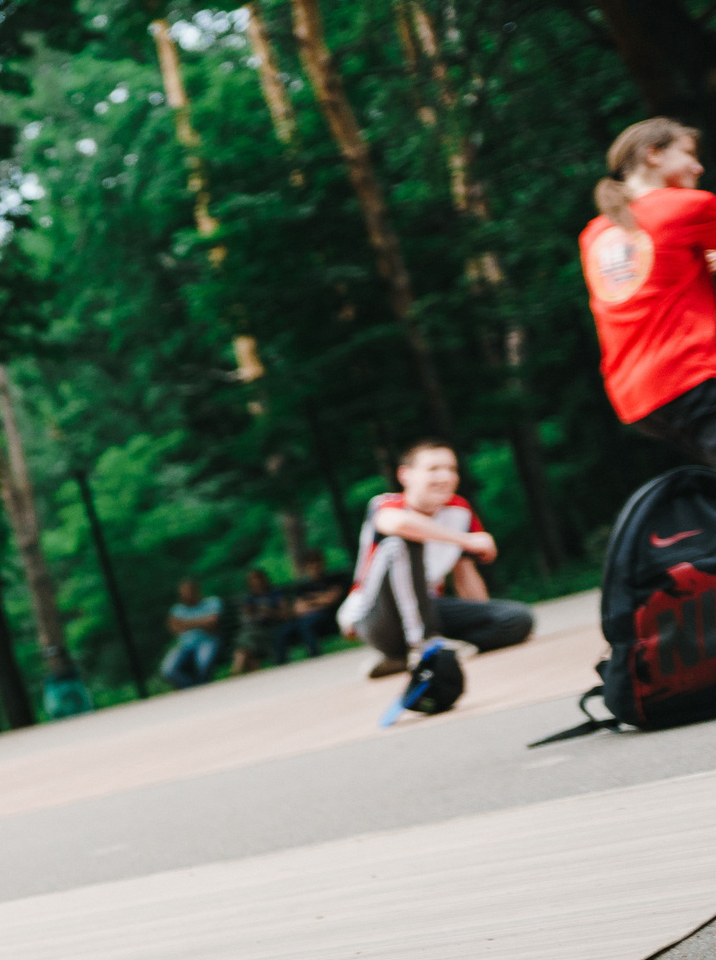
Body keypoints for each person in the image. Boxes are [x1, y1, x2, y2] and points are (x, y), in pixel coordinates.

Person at [336, 440, 536, 678]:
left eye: (451, 469)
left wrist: (483, 616)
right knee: (403, 540)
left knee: (516, 619)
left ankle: (406, 658)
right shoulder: (387, 504)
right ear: (405, 475)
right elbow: (398, 523)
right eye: (433, 469)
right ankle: (422, 645)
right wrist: (466, 539)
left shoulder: (460, 510)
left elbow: (465, 574)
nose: (445, 476)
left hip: (428, 607)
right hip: (377, 614)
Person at [582, 117, 716, 466]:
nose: (698, 166)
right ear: (653, 155)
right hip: (695, 372)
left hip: (638, 397)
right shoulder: (688, 206)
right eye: (688, 153)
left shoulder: (595, 233)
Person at [271, 552, 347, 663]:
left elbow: (330, 600)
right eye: (310, 563)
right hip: (304, 618)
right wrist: (319, 599)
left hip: (327, 616)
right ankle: (281, 664)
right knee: (283, 631)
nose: (314, 566)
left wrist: (309, 602)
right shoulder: (302, 586)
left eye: (316, 562)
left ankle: (315, 658)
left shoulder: (334, 579)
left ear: (322, 563)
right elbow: (297, 608)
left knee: (306, 625)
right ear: (307, 566)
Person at [159, 578, 222, 688]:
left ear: (196, 590)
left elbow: (212, 623)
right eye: (184, 592)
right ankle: (192, 690)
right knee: (167, 670)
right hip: (184, 646)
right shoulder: (177, 609)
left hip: (207, 642)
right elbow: (175, 629)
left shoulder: (212, 602)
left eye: (189, 591)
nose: (187, 595)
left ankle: (205, 689)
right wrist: (202, 621)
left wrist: (185, 623)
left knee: (203, 664)